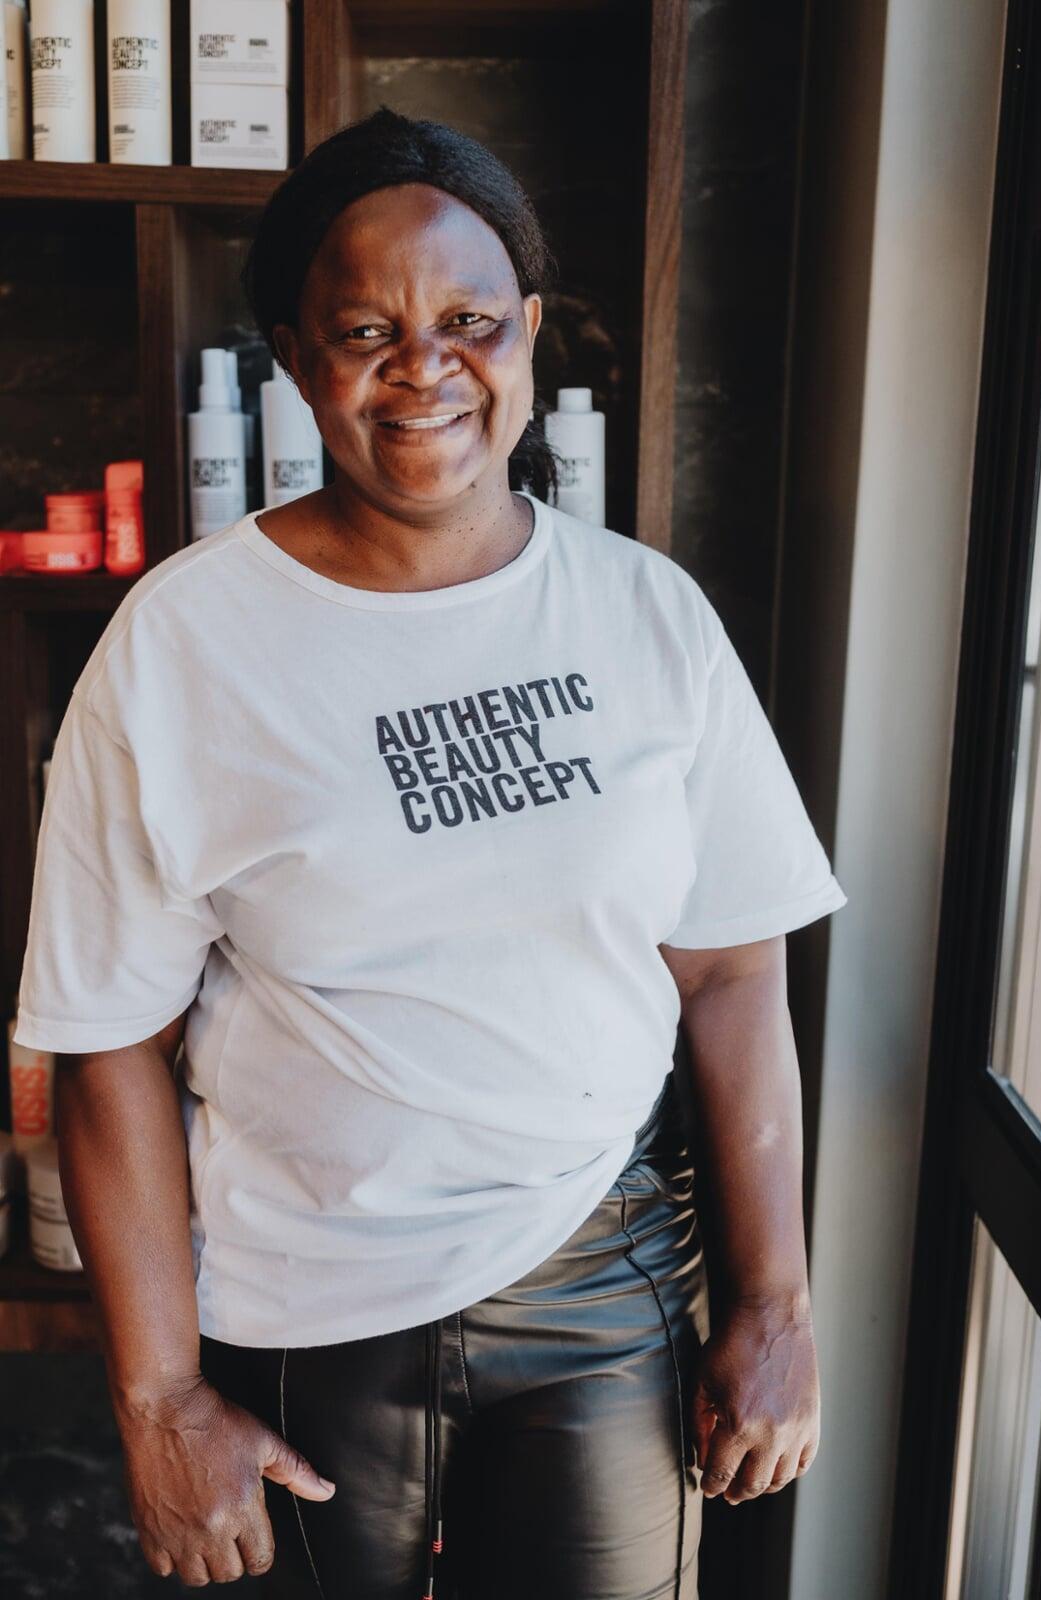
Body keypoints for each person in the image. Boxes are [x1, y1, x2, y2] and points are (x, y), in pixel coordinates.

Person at [13, 107, 847, 1599]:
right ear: (293, 356)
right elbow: (106, 1043)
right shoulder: (182, 646)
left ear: (527, 334)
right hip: (299, 1313)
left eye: (468, 319)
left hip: (606, 1292)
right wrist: (155, 1402)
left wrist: (776, 1300)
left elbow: (729, 967)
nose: (424, 366)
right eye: (364, 328)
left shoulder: (646, 618)